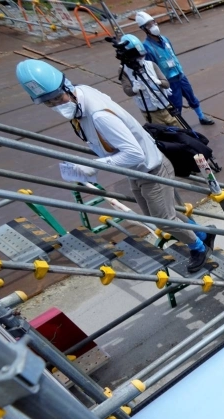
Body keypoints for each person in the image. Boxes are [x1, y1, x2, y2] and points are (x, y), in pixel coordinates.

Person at [15, 59, 212, 271]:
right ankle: (202, 233)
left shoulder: (99, 116)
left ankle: (198, 247)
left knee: (164, 220)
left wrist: (95, 165)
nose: (56, 105)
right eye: (49, 103)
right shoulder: (82, 95)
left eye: (57, 98)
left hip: (151, 168)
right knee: (160, 215)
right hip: (137, 172)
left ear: (67, 88)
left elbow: (134, 154)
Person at [135, 11, 215, 125]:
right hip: (169, 81)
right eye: (149, 25)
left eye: (153, 22)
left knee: (191, 96)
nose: (153, 26)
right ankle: (181, 127)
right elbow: (151, 68)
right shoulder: (147, 47)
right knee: (176, 105)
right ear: (144, 29)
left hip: (180, 75)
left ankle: (201, 117)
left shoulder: (165, 40)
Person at [118, 34, 181, 128]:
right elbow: (127, 90)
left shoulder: (151, 65)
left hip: (166, 107)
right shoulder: (124, 70)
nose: (141, 59)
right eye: (138, 57)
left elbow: (166, 84)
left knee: (181, 130)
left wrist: (159, 82)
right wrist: (134, 89)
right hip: (150, 113)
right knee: (166, 137)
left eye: (143, 55)